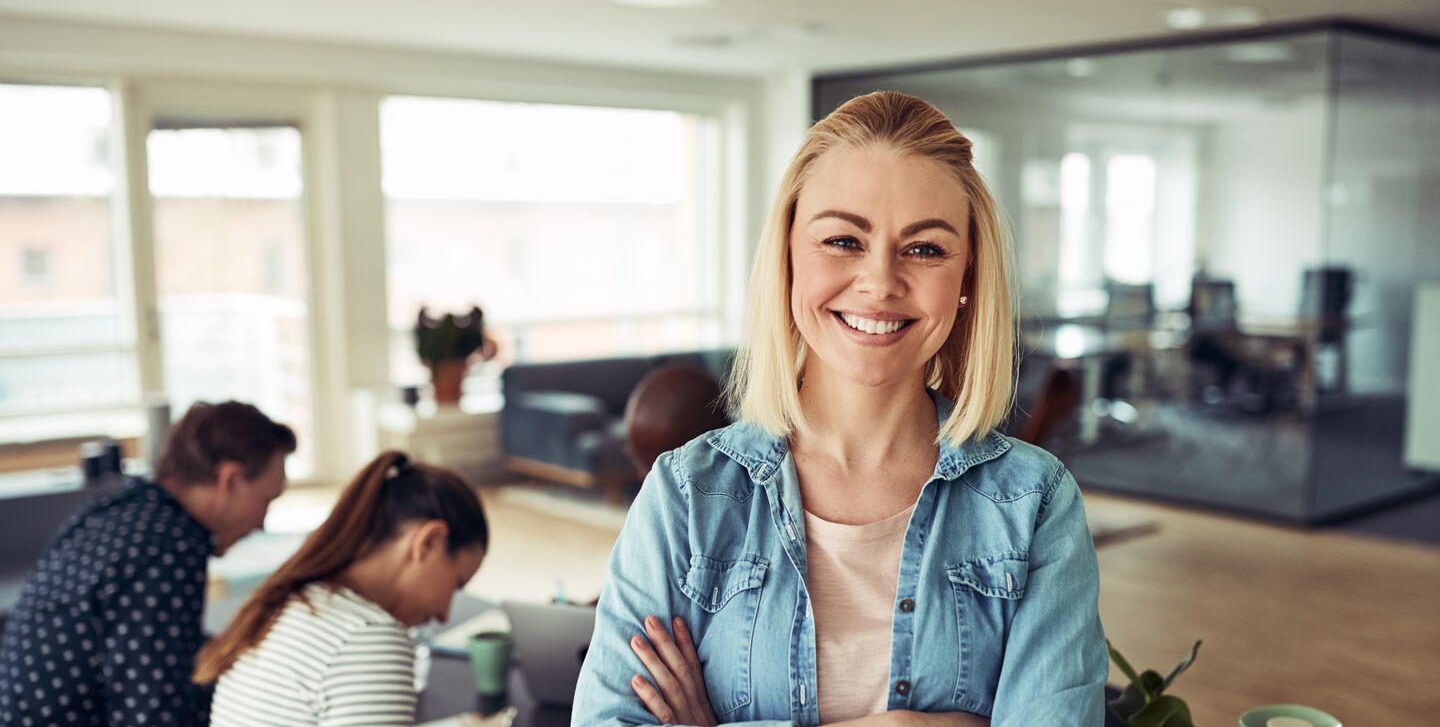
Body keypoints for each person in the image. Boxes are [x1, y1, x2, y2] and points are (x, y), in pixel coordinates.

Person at [572, 91, 1107, 726]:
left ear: (967, 278)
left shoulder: (1034, 503)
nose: (880, 281)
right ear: (788, 257)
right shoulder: (687, 497)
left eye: (926, 248)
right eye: (843, 239)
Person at [0, 400, 296, 726]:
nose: (261, 523)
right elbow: (154, 713)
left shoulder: (123, 510)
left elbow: (160, 651)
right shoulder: (165, 549)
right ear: (230, 479)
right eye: (265, 501)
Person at [196, 450, 489, 727]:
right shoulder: (368, 638)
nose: (444, 614)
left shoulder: (289, 602)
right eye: (456, 584)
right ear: (429, 542)